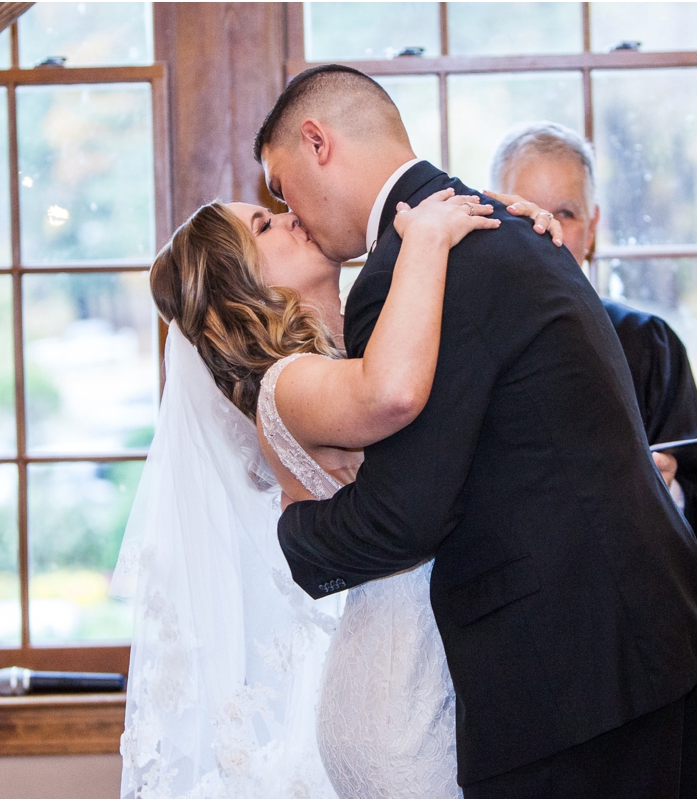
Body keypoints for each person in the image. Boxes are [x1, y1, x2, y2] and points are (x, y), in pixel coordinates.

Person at [257, 64, 697, 798]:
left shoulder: (414, 267)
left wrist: (288, 530)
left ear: (317, 141)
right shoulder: (510, 225)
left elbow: (406, 513)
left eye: (281, 186)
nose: (292, 213)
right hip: (637, 638)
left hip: (566, 669)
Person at [113, 187, 561, 796]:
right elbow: (391, 395)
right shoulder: (284, 387)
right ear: (242, 284)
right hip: (401, 698)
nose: (292, 216)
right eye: (266, 225)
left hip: (455, 668)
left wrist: (505, 222)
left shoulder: (361, 341)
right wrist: (426, 237)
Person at [485, 121, 697, 593]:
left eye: (566, 212)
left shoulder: (649, 342)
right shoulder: (464, 340)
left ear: (594, 226)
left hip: (633, 612)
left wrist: (671, 492)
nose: (547, 228)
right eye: (527, 210)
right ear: (493, 214)